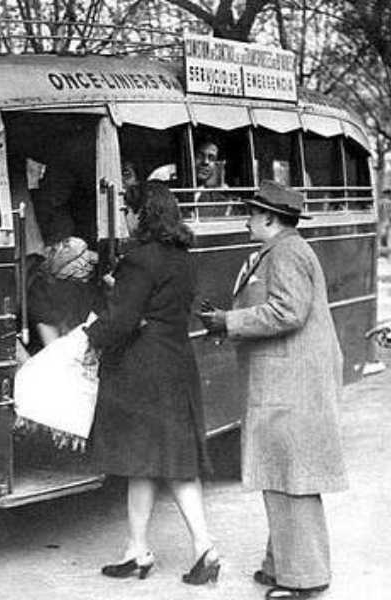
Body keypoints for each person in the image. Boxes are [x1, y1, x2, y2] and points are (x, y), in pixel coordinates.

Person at [199, 180, 347, 600]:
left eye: (251, 212)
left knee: (292, 478)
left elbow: (288, 311)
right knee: (281, 475)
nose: (245, 218)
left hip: (291, 385)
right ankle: (281, 565)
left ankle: (305, 580)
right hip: (288, 381)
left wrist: (229, 321)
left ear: (269, 218)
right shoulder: (284, 250)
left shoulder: (285, 253)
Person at [85, 182, 219, 584]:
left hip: (143, 370)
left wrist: (92, 337)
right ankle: (138, 549)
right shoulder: (183, 257)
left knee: (156, 461)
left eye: (128, 209)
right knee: (152, 461)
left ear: (143, 214)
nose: (124, 216)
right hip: (176, 364)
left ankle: (204, 548)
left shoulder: (139, 260)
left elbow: (124, 321)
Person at [194, 139, 231, 217]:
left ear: (217, 164)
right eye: (200, 156)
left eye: (211, 158)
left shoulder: (222, 194)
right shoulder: (179, 189)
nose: (205, 162)